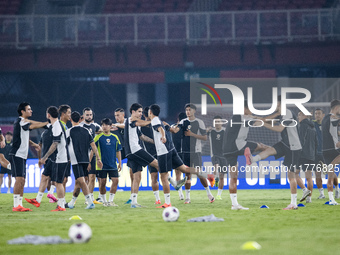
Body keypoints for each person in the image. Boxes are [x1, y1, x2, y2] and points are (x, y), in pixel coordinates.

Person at [245, 96, 302, 210]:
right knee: (270, 150)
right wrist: (258, 118)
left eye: (276, 103)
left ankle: (293, 203)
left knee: (291, 175)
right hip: (286, 143)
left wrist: (262, 123)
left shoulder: (287, 113)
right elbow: (271, 118)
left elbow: (279, 129)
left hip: (293, 147)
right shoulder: (282, 114)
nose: (275, 106)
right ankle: (253, 159)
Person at [170, 103, 215, 204]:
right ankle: (187, 198)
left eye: (190, 110)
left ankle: (209, 194)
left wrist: (192, 134)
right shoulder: (183, 121)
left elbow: (204, 137)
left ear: (194, 111)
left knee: (199, 174)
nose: (188, 112)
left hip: (196, 152)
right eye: (186, 110)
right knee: (187, 175)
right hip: (186, 152)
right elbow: (176, 130)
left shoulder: (200, 122)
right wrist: (171, 129)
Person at [10, 102, 48, 212]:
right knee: (19, 179)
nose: (31, 111)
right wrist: (46, 123)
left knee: (22, 180)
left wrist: (33, 144)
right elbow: (33, 125)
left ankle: (19, 204)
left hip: (22, 155)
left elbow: (24, 136)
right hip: (16, 154)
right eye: (29, 109)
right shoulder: (21, 121)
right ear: (23, 111)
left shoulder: (22, 122)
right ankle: (16, 205)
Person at [65, 111, 103, 209]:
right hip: (86, 160)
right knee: (78, 182)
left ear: (71, 120)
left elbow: (64, 146)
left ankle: (90, 202)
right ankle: (71, 203)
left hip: (75, 160)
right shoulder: (87, 131)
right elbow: (93, 145)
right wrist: (98, 158)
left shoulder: (69, 131)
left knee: (81, 181)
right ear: (80, 119)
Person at [39, 106, 70, 211]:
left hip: (61, 158)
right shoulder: (57, 124)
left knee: (58, 182)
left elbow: (55, 143)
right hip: (61, 158)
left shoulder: (56, 126)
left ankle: (61, 206)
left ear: (48, 115)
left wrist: (45, 157)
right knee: (58, 182)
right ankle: (60, 205)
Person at [24, 116, 58, 206]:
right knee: (51, 177)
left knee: (46, 177)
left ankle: (42, 198)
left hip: (48, 158)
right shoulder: (56, 130)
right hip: (54, 157)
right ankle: (49, 194)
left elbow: (39, 147)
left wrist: (40, 158)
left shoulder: (44, 133)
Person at [92, 118, 121, 207]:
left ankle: (111, 201)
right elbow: (93, 150)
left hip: (112, 164)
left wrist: (119, 162)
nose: (104, 127)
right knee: (102, 183)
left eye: (106, 125)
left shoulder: (115, 137)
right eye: (103, 125)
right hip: (102, 165)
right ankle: (104, 201)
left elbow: (118, 150)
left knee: (115, 181)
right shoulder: (98, 137)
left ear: (110, 126)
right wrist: (91, 162)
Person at [80, 107, 102, 205]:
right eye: (87, 115)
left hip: (92, 155)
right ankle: (85, 197)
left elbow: (102, 132)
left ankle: (90, 198)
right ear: (83, 115)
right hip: (83, 155)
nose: (89, 116)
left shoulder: (95, 126)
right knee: (84, 179)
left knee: (92, 177)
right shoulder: (80, 126)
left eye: (90, 115)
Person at [111, 108, 133, 204]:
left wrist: (116, 125)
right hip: (120, 150)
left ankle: (133, 196)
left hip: (130, 149)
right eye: (115, 115)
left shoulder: (128, 122)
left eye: (118, 115)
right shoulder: (115, 126)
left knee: (132, 173)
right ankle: (101, 196)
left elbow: (126, 126)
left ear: (123, 115)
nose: (116, 117)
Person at [141, 107, 161, 204]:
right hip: (157, 153)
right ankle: (158, 199)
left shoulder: (144, 126)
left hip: (151, 154)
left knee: (154, 177)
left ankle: (158, 199)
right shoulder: (154, 124)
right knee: (159, 176)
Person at [321, 100, 340, 205]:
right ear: (337, 108)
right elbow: (333, 131)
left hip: (325, 150)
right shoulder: (333, 117)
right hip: (334, 149)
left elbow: (331, 131)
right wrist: (337, 142)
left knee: (331, 175)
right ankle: (330, 166)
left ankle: (331, 200)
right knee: (331, 171)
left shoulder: (325, 119)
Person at [295, 111, 316, 203]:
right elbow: (316, 143)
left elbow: (301, 140)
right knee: (309, 177)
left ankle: (304, 190)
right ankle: (309, 199)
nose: (298, 116)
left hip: (301, 154)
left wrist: (297, 152)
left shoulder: (303, 125)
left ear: (305, 115)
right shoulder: (313, 127)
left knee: (294, 173)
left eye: (299, 114)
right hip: (311, 155)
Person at [207, 116, 227, 200]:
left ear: (222, 123)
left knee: (222, 175)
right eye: (215, 122)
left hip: (224, 155)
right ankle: (213, 177)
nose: (217, 123)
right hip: (214, 154)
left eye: (218, 121)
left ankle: (219, 194)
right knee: (216, 166)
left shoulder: (225, 131)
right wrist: (206, 130)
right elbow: (202, 133)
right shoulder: (211, 131)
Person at [170, 112, 186, 200]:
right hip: (182, 152)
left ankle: (181, 194)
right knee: (184, 173)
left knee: (178, 174)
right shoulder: (183, 127)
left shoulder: (173, 126)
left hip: (175, 152)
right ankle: (183, 195)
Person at [313, 108, 327, 199]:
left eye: (319, 113)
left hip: (326, 153)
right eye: (316, 113)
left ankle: (337, 189)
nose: (317, 115)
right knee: (317, 174)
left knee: (331, 173)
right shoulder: (312, 124)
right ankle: (321, 194)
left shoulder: (327, 124)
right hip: (316, 154)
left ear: (323, 115)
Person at [58, 105, 72, 193]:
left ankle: (62, 201)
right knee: (61, 179)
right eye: (69, 113)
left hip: (66, 156)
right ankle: (60, 201)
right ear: (63, 114)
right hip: (61, 156)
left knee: (65, 179)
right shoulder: (59, 125)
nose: (70, 115)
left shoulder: (65, 126)